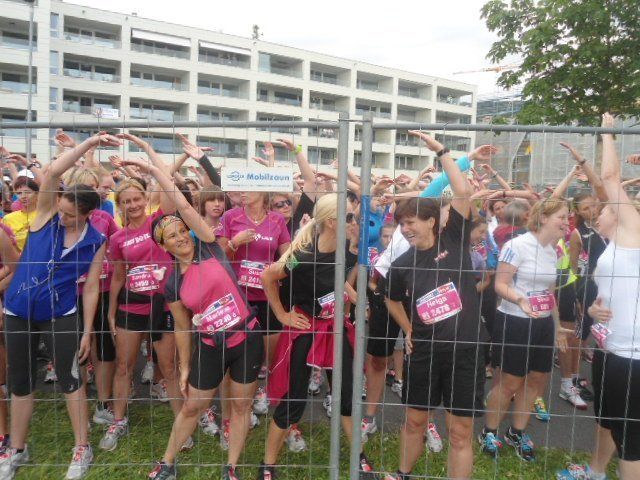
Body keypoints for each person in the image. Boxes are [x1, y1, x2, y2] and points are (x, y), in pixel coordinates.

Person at [0, 134, 115, 480]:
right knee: (20, 382)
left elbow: (91, 287)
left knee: (70, 379)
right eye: (61, 210)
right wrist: (88, 143)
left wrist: (88, 330)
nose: (62, 217)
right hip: (18, 310)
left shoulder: (96, 240)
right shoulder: (46, 214)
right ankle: (17, 448)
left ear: (87, 214)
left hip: (60, 314)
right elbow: (51, 173)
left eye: (69, 214)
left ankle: (82, 446)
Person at [383, 131, 486, 480]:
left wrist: (442, 152)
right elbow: (390, 298)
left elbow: (463, 192)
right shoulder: (402, 264)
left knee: (459, 431)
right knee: (414, 421)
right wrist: (409, 329)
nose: (405, 229)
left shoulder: (453, 239)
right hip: (425, 351)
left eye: (410, 222)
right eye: (401, 224)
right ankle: (403, 473)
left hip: (464, 350)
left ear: (430, 220)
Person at [258, 193, 378, 479]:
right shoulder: (302, 256)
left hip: (335, 329)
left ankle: (359, 458)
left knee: (347, 397)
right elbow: (268, 276)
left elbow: (336, 280)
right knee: (293, 400)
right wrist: (282, 315)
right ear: (332, 222)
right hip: (306, 330)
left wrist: (355, 298)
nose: (355, 222)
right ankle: (268, 466)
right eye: (349, 217)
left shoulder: (344, 247)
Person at [557, 113, 640, 480]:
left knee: (631, 440)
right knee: (606, 419)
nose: (599, 212)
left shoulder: (633, 233)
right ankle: (595, 471)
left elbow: (608, 179)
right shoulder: (612, 246)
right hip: (609, 348)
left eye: (604, 208)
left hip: (632, 355)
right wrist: (592, 308)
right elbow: (608, 292)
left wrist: (607, 132)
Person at [100, 133, 182, 452]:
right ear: (120, 205)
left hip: (163, 306)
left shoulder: (160, 221)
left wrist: (146, 157)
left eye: (137, 199)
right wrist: (111, 311)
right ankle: (119, 419)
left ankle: (181, 423)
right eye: (126, 201)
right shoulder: (118, 238)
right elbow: (118, 276)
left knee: (169, 368)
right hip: (131, 307)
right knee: (124, 366)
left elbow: (169, 187)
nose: (133, 205)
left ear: (145, 199)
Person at [481, 196, 573, 462]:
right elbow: (500, 284)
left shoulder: (553, 249)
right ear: (543, 218)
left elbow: (549, 293)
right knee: (510, 381)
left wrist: (556, 325)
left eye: (567, 218)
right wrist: (520, 299)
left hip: (542, 322)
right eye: (562, 217)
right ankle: (489, 431)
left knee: (536, 380)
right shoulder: (517, 245)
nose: (566, 223)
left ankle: (516, 432)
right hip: (515, 320)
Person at [217, 191, 291, 416]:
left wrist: (282, 268)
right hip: (238, 297)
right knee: (236, 357)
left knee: (270, 356)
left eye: (248, 188)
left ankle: (262, 393)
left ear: (262, 190)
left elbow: (288, 258)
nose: (242, 193)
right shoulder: (230, 216)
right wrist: (234, 242)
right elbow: (218, 256)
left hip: (268, 296)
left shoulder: (277, 220)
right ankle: (234, 412)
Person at [2, 177, 39, 251]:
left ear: (37, 193)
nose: (23, 196)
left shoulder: (45, 215)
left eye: (28, 192)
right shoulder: (8, 218)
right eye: (19, 193)